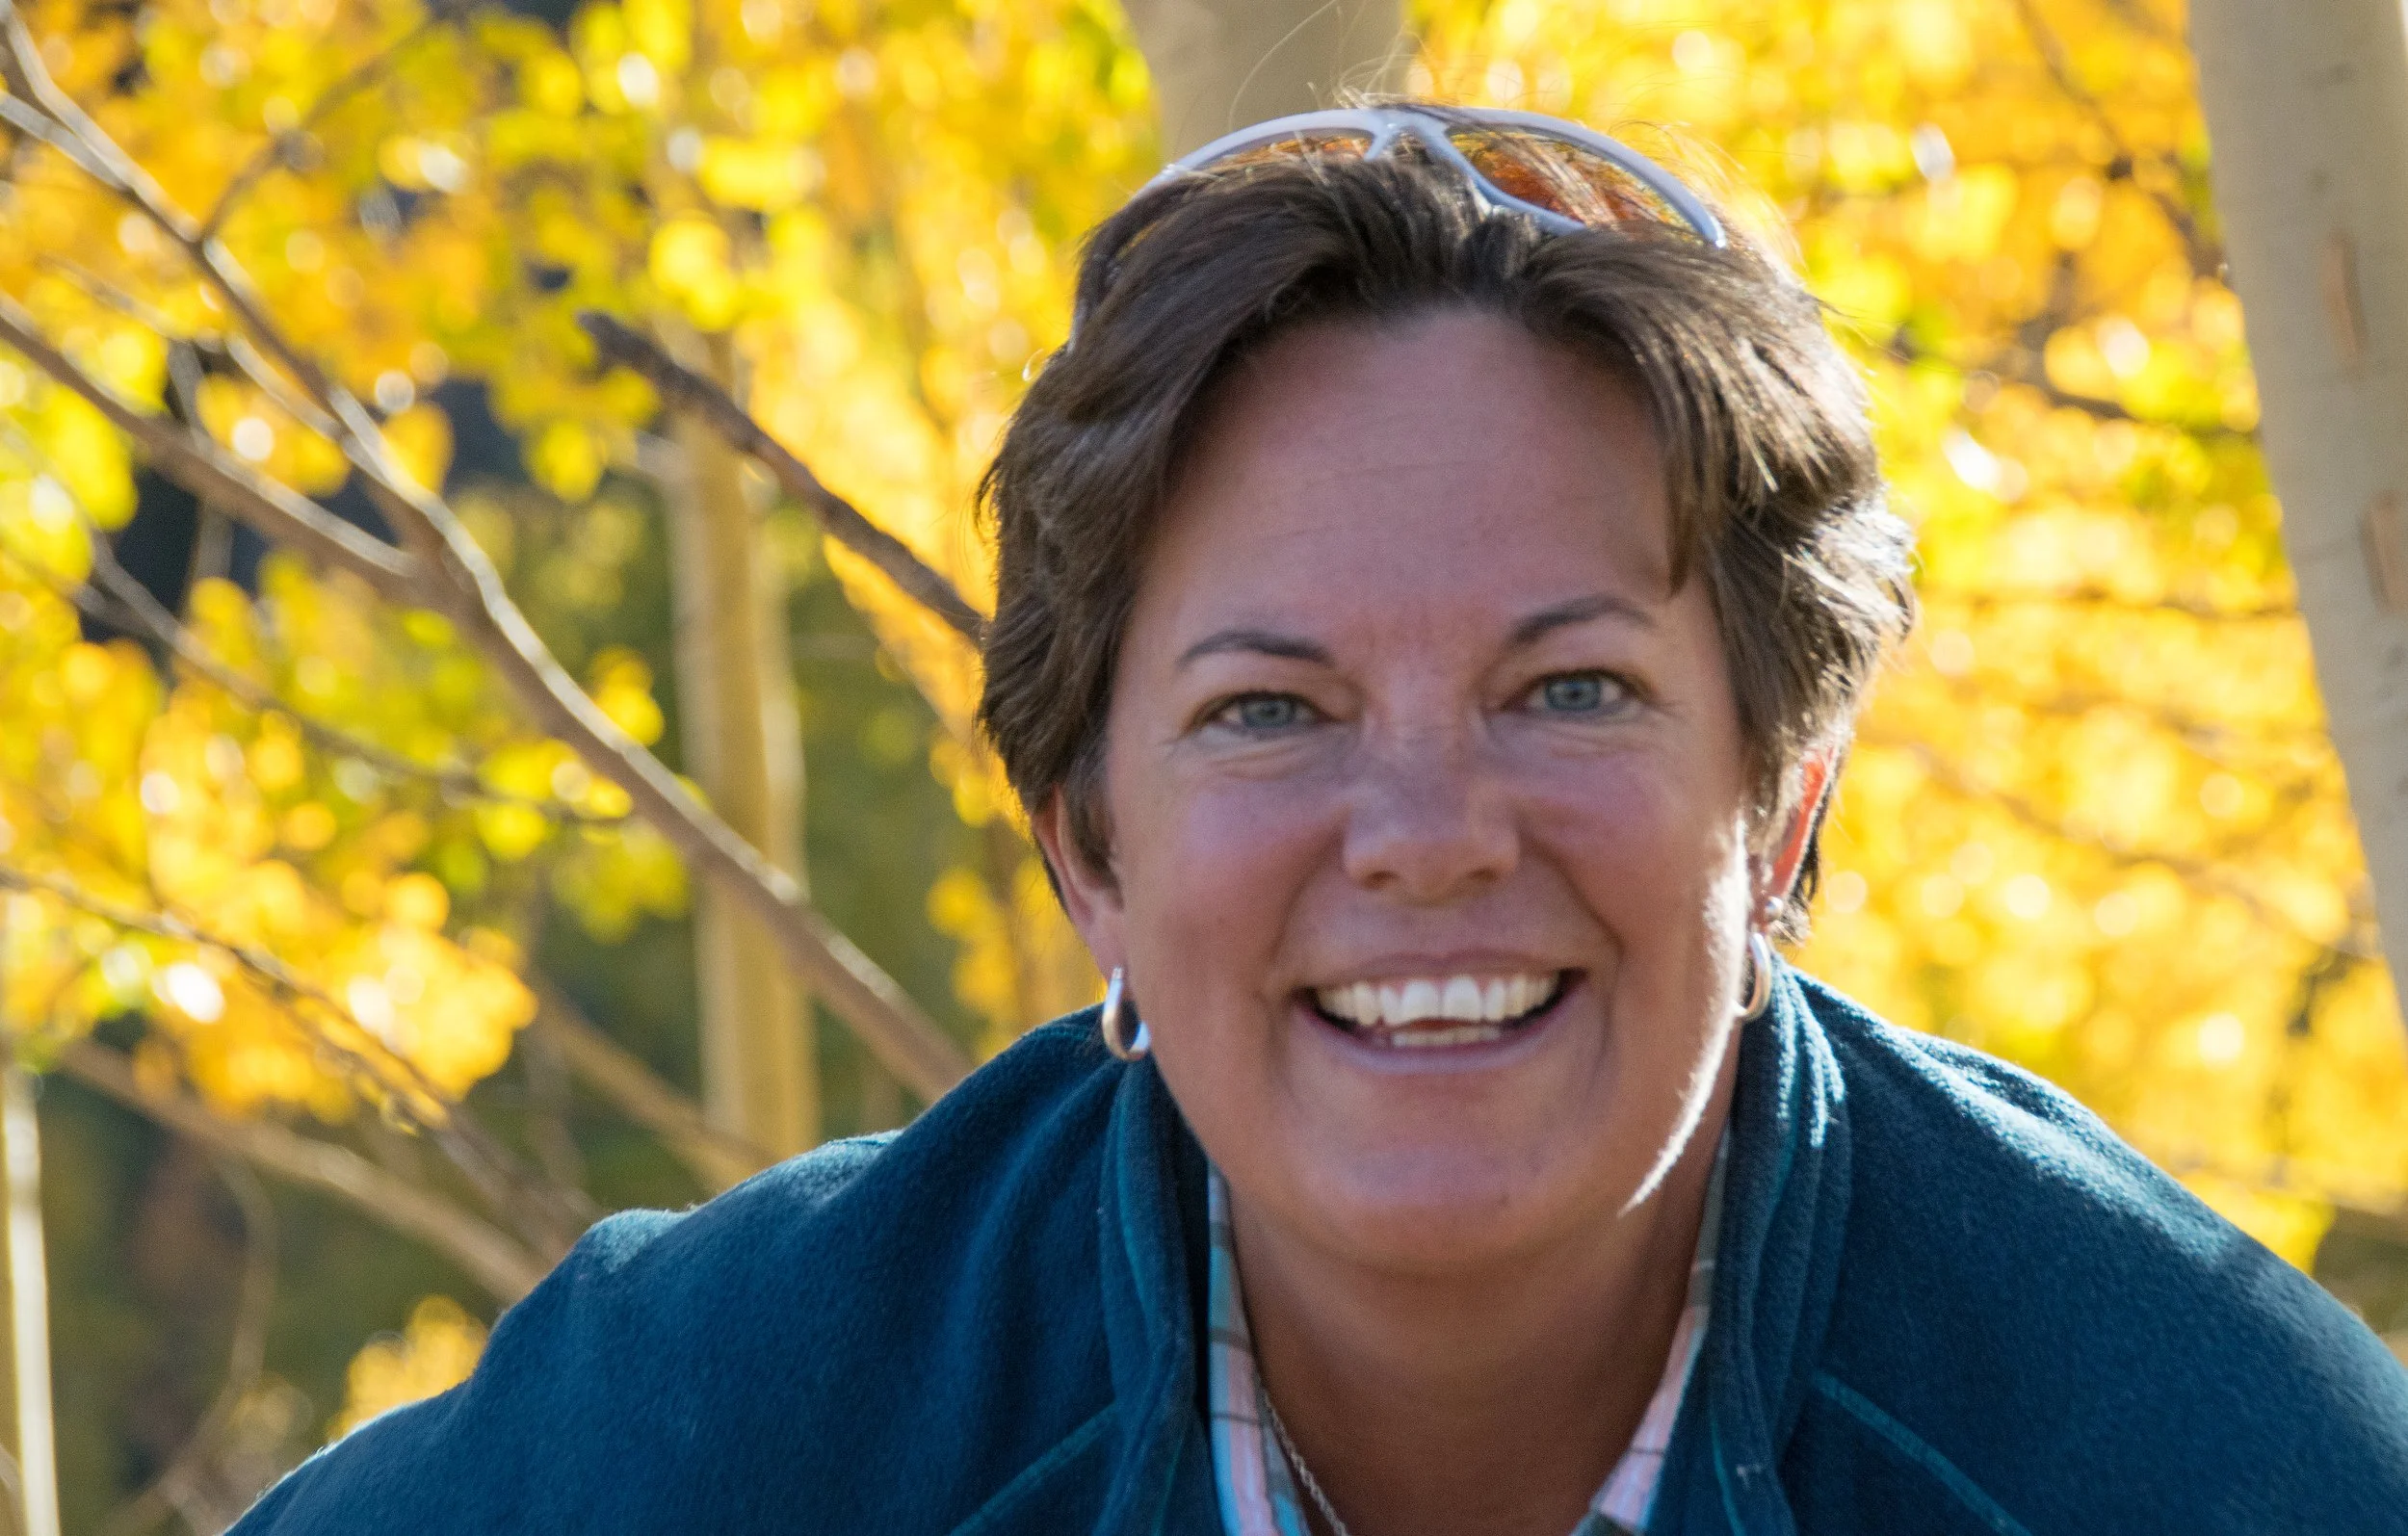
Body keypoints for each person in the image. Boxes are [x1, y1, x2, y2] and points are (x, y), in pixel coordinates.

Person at [230, 104, 2408, 1536]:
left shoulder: (2207, 1459)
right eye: (1269, 709)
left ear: (1777, 803)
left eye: (1567, 687)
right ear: (1088, 845)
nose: (1429, 831)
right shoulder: (733, 1423)